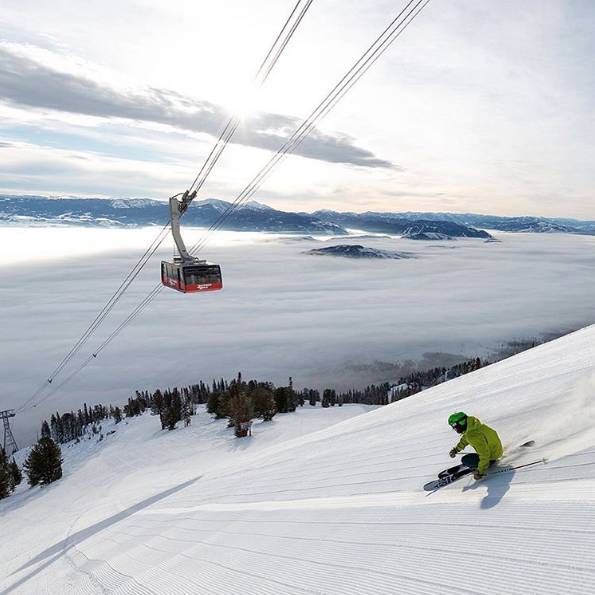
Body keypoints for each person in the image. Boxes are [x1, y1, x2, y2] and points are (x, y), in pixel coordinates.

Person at [448, 412, 503, 480]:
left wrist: (480, 472)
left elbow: (485, 454)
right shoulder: (474, 427)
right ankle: (483, 463)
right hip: (496, 452)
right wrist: (456, 450)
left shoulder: (473, 435)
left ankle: (485, 464)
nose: (454, 429)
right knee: (473, 456)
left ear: (461, 422)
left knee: (465, 460)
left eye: (454, 426)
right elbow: (465, 440)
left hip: (491, 457)